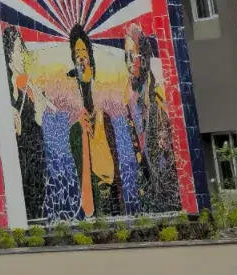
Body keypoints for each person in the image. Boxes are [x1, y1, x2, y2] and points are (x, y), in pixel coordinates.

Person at [65, 26, 118, 219]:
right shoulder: (71, 87)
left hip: (104, 165)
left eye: (83, 52)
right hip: (87, 167)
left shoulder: (100, 89)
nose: (80, 57)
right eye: (76, 54)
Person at [4, 23, 49, 225]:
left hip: (32, 158)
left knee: (35, 200)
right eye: (16, 48)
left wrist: (39, 112)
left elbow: (35, 130)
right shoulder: (4, 90)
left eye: (22, 47)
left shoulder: (27, 89)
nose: (21, 53)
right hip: (16, 162)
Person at [129, 32, 178, 214]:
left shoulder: (157, 100)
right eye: (126, 57)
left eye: (131, 56)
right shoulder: (136, 98)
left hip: (165, 196)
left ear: (143, 60)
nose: (128, 63)